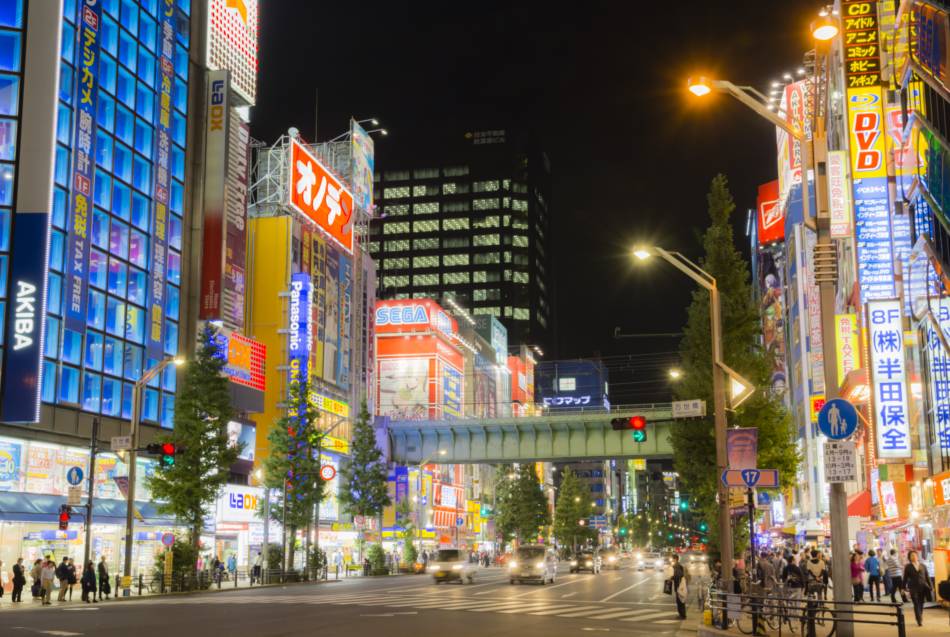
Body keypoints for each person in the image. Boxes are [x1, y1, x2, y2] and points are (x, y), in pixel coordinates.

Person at [903, 550, 931, 626]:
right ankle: (919, 620)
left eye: (915, 555)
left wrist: (930, 586)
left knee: (921, 603)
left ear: (917, 556)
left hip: (923, 587)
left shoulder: (923, 565)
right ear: (909, 557)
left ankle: (920, 616)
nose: (914, 557)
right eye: (912, 556)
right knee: (916, 603)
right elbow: (905, 578)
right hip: (913, 587)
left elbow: (927, 577)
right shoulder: (908, 567)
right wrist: (903, 587)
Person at [671, 554, 687, 619]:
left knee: (680, 601)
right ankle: (681, 614)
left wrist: (672, 577)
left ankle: (682, 615)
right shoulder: (678, 566)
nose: (672, 560)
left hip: (679, 586)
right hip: (679, 585)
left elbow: (679, 575)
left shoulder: (677, 566)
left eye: (673, 559)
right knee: (680, 600)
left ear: (675, 559)